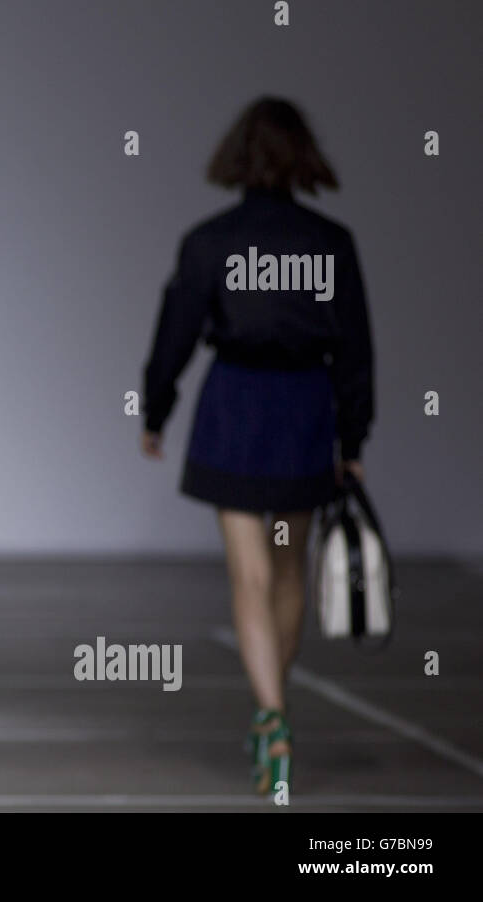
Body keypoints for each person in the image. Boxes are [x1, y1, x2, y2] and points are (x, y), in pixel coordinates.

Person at [140, 96, 374, 796]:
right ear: (305, 154)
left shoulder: (210, 240)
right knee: (290, 568)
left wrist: (155, 410)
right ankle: (273, 708)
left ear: (236, 156)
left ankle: (271, 717)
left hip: (236, 406)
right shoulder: (331, 242)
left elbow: (174, 333)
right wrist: (353, 435)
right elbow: (357, 350)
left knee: (250, 576)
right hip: (304, 406)